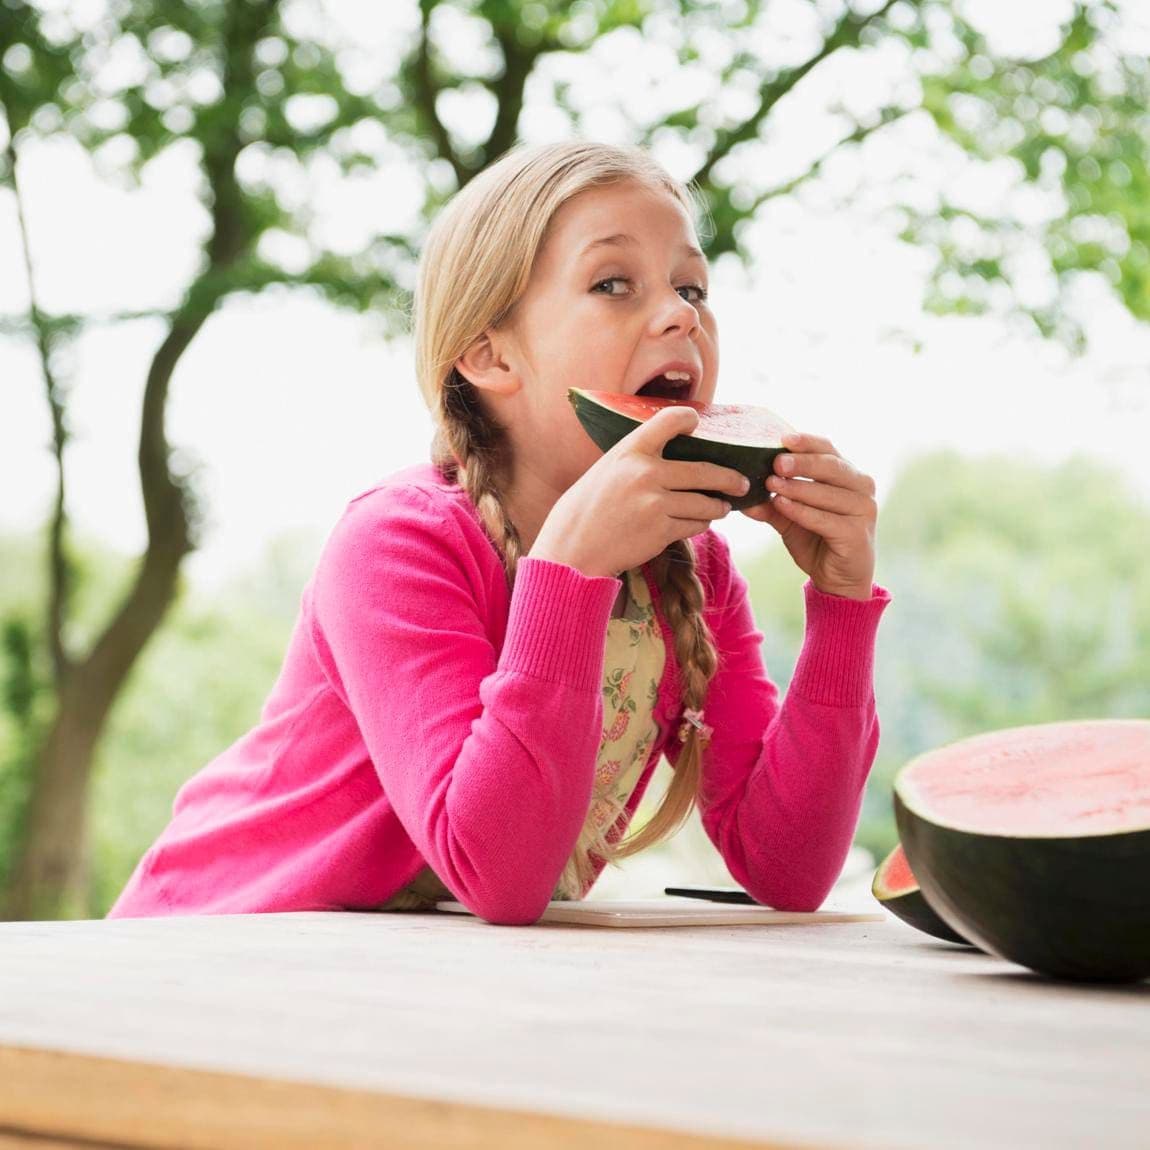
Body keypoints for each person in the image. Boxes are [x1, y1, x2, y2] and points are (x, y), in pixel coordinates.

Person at [107, 140, 890, 925]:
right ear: (488, 353)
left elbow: (788, 868)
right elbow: (500, 877)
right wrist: (569, 573)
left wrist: (842, 603)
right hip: (205, 953)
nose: (682, 313)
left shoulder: (694, 569)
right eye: (613, 284)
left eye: (692, 286)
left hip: (395, 987)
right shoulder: (398, 543)